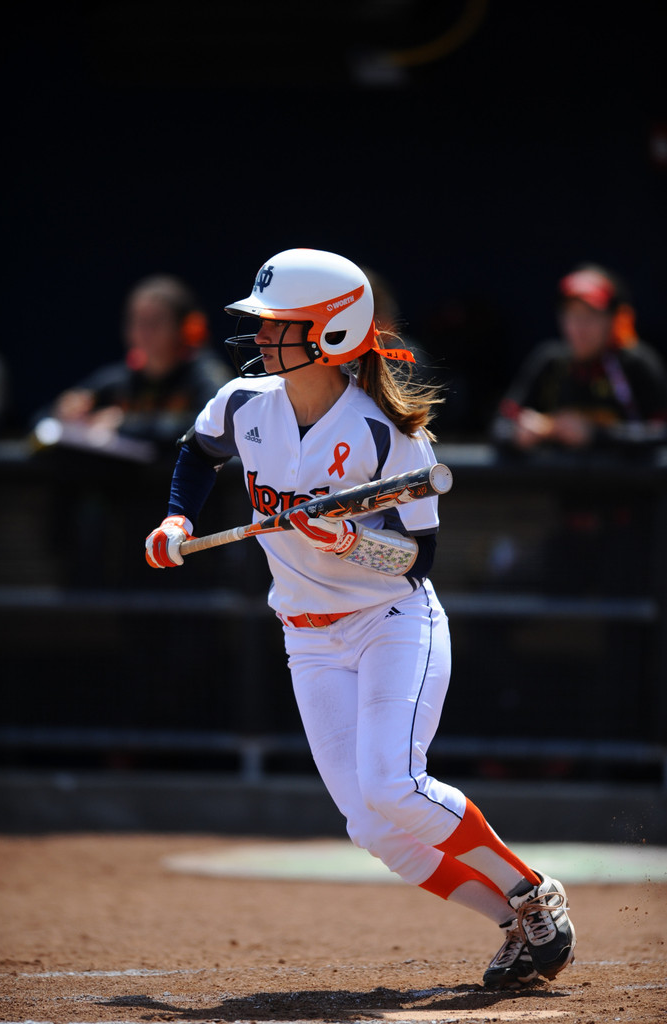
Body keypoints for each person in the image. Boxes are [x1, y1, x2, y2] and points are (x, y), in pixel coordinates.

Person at [145, 247, 576, 990]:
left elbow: (416, 559)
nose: (262, 337)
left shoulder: (389, 432)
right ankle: (511, 922)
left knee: (391, 786)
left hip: (390, 624)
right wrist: (177, 520)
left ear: (333, 333)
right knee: (371, 827)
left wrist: (347, 537)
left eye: (283, 325)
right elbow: (196, 453)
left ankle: (532, 889)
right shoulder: (245, 401)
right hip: (306, 637)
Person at [34, 275, 232, 456]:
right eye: (136, 322)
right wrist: (62, 412)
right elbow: (40, 420)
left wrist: (125, 425)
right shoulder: (117, 379)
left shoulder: (205, 373)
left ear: (186, 329)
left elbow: (218, 425)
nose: (142, 333)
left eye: (154, 323)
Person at [491, 264, 667, 450]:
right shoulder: (549, 362)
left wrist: (596, 434)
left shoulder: (636, 364)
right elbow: (499, 426)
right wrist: (521, 434)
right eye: (571, 315)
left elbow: (661, 432)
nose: (578, 328)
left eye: (590, 316)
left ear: (613, 319)